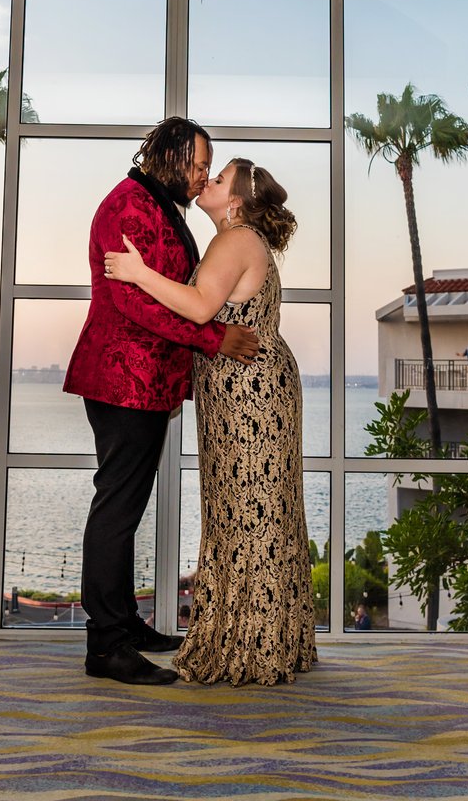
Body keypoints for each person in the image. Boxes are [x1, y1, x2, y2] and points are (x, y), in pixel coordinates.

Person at [105, 157, 317, 686]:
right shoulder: (242, 239)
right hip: (248, 389)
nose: (208, 181)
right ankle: (271, 638)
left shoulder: (235, 239)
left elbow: (200, 308)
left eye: (218, 179)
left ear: (237, 201)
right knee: (256, 508)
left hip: (249, 393)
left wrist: (137, 272)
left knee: (247, 511)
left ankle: (252, 645)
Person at [65, 118, 261, 686]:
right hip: (121, 382)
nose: (203, 176)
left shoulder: (158, 204)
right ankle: (106, 647)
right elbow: (135, 302)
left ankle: (124, 624)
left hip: (144, 383)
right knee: (117, 511)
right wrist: (214, 339)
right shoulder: (128, 206)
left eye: (208, 168)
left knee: (123, 510)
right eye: (198, 165)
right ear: (171, 157)